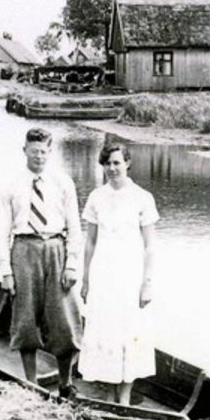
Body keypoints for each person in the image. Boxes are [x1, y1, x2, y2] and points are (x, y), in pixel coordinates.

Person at [0, 127, 82, 399]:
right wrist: (6, 271)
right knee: (26, 318)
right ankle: (31, 384)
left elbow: (74, 227)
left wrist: (72, 264)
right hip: (24, 250)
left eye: (43, 152)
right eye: (34, 151)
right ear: (25, 150)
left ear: (50, 152)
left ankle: (65, 384)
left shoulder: (63, 182)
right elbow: (1, 231)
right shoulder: (11, 185)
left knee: (63, 318)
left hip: (56, 248)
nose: (38, 156)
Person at [79, 143, 159, 405]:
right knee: (105, 330)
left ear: (127, 163)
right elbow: (90, 242)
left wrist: (147, 284)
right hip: (103, 274)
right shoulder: (96, 197)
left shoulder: (142, 198)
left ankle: (124, 398)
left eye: (117, 163)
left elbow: (150, 246)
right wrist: (86, 279)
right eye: (107, 164)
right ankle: (109, 393)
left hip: (129, 276)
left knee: (128, 331)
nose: (112, 168)